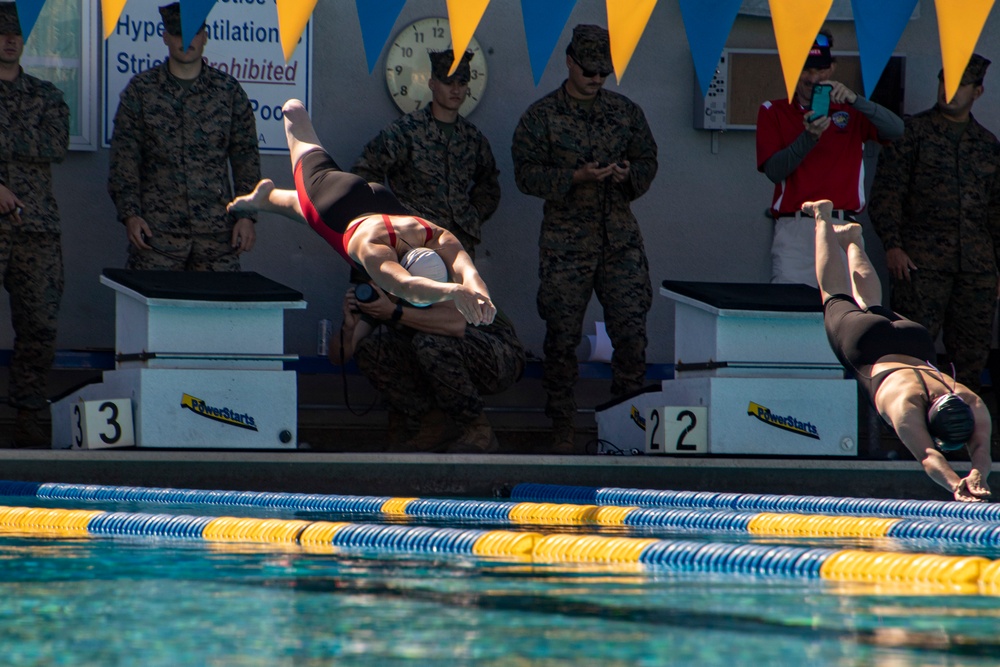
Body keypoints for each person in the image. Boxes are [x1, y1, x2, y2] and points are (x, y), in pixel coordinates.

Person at [511, 24, 658, 454]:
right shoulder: (540, 117)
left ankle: (624, 429)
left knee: (631, 331)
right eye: (590, 70)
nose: (597, 79)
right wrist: (575, 177)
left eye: (604, 73)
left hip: (620, 240)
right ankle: (562, 428)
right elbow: (525, 174)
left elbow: (648, 158)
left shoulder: (625, 112)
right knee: (561, 336)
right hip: (566, 243)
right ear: (570, 63)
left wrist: (631, 175)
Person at [228, 98, 495, 326]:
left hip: (378, 199)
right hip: (331, 203)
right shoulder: (375, 251)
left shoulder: (435, 235)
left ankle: (265, 200)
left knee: (303, 207)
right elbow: (407, 288)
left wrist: (479, 296)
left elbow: (470, 274)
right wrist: (453, 292)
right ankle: (292, 112)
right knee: (296, 120)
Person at [808, 198, 992, 502]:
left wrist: (978, 473)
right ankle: (822, 217)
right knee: (834, 296)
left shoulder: (968, 399)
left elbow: (980, 452)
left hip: (914, 341)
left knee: (875, 306)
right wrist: (957, 485)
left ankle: (854, 240)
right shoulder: (905, 406)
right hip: (866, 347)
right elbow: (929, 456)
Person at [869, 54, 1000, 393]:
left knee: (970, 360)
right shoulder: (911, 133)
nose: (949, 91)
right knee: (913, 353)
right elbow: (887, 194)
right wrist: (892, 245)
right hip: (919, 266)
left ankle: (962, 434)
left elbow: (996, 211)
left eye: (961, 85)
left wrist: (997, 269)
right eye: (945, 81)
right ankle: (914, 431)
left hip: (976, 270)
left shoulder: (987, 146)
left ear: (978, 91)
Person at [107, 2, 260, 271]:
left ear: (205, 36)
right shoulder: (141, 91)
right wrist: (130, 215)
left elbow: (246, 157)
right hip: (157, 238)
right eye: (178, 34)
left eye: (193, 33)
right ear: (165, 37)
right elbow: (124, 160)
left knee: (220, 312)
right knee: (155, 311)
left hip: (217, 238)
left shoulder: (228, 91)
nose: (185, 41)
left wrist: (246, 216)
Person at [335, 248, 525, 453]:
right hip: (444, 357)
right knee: (371, 350)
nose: (373, 288)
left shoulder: (430, 271)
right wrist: (348, 327)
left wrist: (393, 312)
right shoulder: (385, 300)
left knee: (430, 343)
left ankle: (478, 430)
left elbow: (455, 325)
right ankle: (434, 426)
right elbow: (340, 357)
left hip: (499, 357)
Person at [757, 31, 903, 286]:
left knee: (843, 314)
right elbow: (774, 171)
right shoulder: (773, 110)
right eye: (806, 70)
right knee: (791, 310)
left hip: (842, 224)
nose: (814, 78)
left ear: (832, 68)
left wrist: (857, 100)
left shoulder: (851, 110)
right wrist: (808, 138)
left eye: (821, 69)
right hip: (797, 227)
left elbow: (897, 130)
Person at [352, 49, 500, 259]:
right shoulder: (407, 130)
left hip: (458, 243)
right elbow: (365, 170)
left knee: (460, 292)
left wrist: (472, 215)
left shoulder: (472, 138)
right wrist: (389, 218)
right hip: (414, 240)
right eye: (448, 83)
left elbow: (489, 183)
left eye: (462, 83)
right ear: (432, 84)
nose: (456, 89)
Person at [0, 2, 69, 447]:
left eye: (16, 34)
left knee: (39, 326)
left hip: (36, 227)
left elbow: (55, 145)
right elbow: (35, 142)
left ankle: (28, 418)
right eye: (1, 33)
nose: (9, 40)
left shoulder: (46, 96)